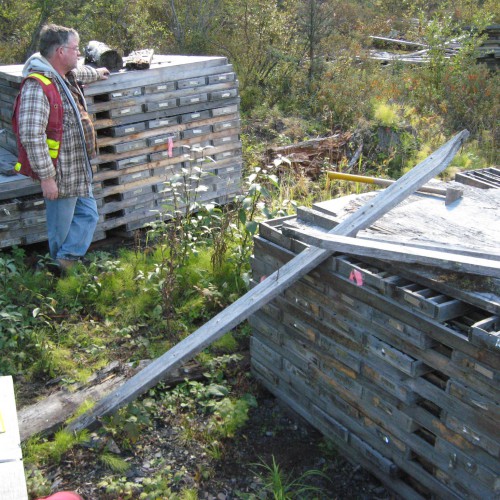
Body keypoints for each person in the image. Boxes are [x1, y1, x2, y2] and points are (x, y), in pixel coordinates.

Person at [13, 24, 110, 272]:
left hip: (78, 169)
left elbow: (82, 73)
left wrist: (99, 72)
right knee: (61, 229)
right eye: (75, 49)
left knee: (88, 216)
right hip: (60, 173)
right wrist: (47, 178)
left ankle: (65, 262)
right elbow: (31, 135)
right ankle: (59, 278)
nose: (78, 54)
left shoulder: (65, 76)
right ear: (59, 51)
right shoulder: (38, 86)